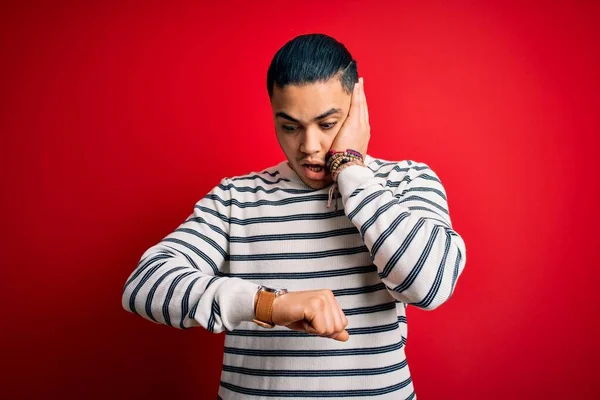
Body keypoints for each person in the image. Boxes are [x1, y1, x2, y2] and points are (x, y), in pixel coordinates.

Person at [122, 33, 467, 400]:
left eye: (328, 123)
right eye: (290, 127)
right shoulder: (236, 197)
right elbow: (144, 283)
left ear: (356, 106)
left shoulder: (406, 181)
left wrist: (351, 170)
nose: (310, 146)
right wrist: (270, 305)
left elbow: (428, 286)